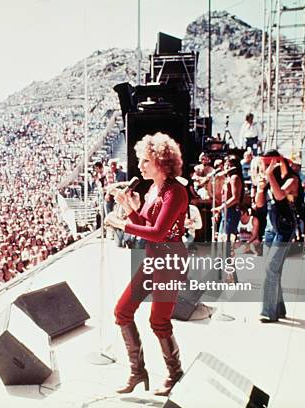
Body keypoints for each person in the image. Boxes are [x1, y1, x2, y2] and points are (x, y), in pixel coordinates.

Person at [104, 132, 188, 396]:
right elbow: (147, 226)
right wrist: (130, 209)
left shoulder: (176, 192)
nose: (139, 166)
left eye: (144, 161)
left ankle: (175, 374)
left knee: (158, 320)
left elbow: (159, 232)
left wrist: (121, 223)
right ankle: (137, 372)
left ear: (161, 162)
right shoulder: (153, 189)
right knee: (122, 311)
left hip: (170, 260)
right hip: (154, 258)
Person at [255, 150, 300, 323]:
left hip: (285, 227)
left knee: (270, 268)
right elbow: (259, 205)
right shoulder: (267, 179)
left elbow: (280, 195)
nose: (266, 167)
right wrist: (260, 188)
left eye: (269, 164)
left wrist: (269, 176)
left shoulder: (292, 179)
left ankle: (268, 312)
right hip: (270, 226)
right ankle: (279, 309)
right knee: (274, 270)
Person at [212, 155, 244, 281]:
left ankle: (230, 275)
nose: (225, 165)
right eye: (225, 163)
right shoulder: (228, 178)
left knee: (227, 244)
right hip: (226, 212)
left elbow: (235, 198)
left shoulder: (235, 178)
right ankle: (222, 274)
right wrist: (219, 210)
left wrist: (220, 207)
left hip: (231, 212)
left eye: (228, 163)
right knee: (221, 242)